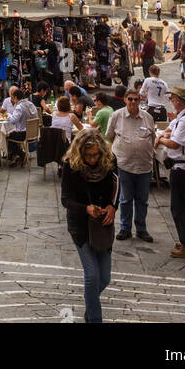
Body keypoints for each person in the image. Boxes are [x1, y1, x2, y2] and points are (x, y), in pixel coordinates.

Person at [61, 131, 119, 323]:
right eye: (89, 156)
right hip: (80, 224)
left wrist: (112, 206)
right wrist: (86, 209)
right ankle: (94, 319)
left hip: (102, 225)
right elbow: (66, 200)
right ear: (81, 154)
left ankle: (90, 303)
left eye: (96, 155)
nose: (93, 159)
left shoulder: (110, 161)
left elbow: (117, 188)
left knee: (105, 278)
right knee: (92, 275)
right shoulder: (71, 165)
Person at [157, 86, 185, 259]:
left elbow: (175, 143)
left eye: (173, 98)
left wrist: (161, 139)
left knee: (178, 208)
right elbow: (170, 130)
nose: (171, 101)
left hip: (184, 168)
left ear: (179, 101)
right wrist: (164, 134)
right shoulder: (183, 117)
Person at [106, 87, 155, 242]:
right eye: (130, 99)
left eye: (136, 99)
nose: (133, 102)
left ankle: (141, 229)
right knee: (125, 199)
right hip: (124, 165)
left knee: (143, 200)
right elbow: (110, 136)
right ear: (125, 99)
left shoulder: (147, 117)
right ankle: (125, 228)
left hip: (144, 166)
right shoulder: (116, 116)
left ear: (140, 100)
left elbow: (152, 139)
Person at [4, 87, 38, 167]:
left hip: (23, 134)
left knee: (7, 137)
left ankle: (20, 154)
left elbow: (13, 121)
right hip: (33, 133)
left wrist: (8, 115)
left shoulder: (19, 107)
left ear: (15, 97)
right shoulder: (30, 104)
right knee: (13, 134)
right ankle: (17, 156)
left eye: (13, 98)